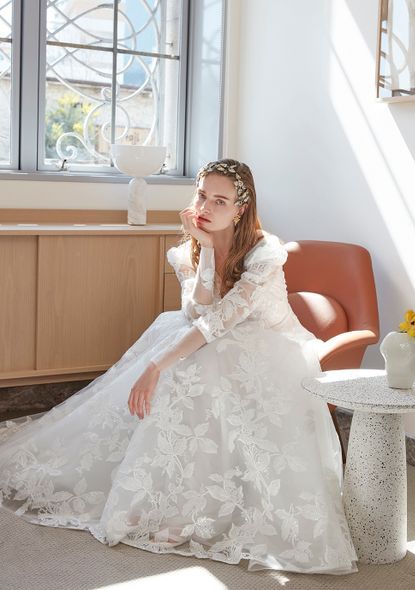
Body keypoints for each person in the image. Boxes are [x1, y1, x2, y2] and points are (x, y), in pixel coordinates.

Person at [0, 159, 358, 575]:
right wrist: (206, 250)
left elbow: (221, 320)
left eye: (220, 201)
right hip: (216, 338)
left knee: (188, 366)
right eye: (202, 195)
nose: (205, 207)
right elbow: (196, 312)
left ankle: (185, 509)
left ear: (240, 209)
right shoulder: (190, 247)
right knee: (186, 355)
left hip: (271, 346)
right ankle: (156, 492)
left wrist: (156, 366)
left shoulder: (264, 252)